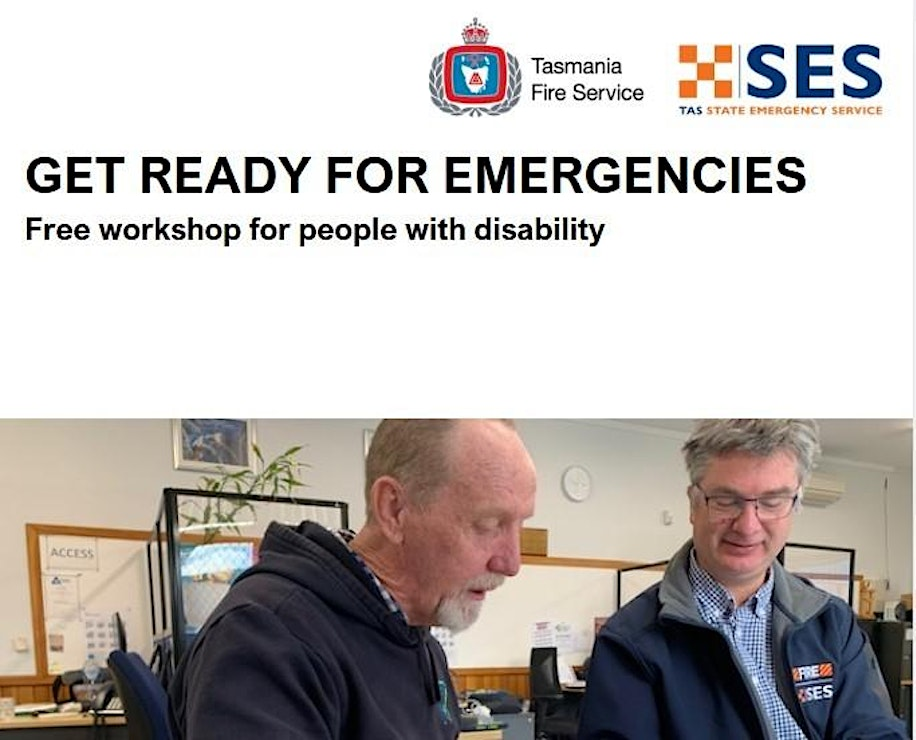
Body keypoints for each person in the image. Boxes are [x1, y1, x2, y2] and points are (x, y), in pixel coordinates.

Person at [169, 419, 536, 740]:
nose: (511, 562)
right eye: (487, 525)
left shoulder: (419, 640)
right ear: (395, 510)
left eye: (521, 526)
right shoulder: (264, 638)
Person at [579, 419, 907, 739]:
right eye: (727, 500)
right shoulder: (630, 642)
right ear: (694, 504)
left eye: (772, 501)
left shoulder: (831, 623)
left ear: (794, 505)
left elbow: (875, 730)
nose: (748, 525)